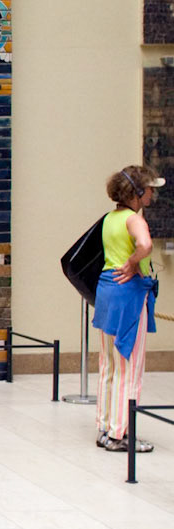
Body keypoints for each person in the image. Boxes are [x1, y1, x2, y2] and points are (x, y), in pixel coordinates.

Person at [93, 164, 164, 452]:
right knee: (130, 368)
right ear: (136, 192)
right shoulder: (135, 220)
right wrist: (134, 263)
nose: (151, 193)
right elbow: (145, 245)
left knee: (108, 365)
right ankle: (120, 433)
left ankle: (105, 426)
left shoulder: (110, 218)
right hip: (129, 296)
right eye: (148, 188)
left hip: (107, 292)